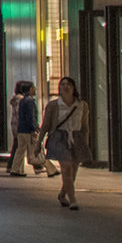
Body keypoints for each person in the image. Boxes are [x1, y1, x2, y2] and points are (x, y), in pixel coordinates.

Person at [39, 76, 91, 210]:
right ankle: (73, 199)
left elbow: (85, 126)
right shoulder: (53, 105)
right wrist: (38, 143)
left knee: (74, 169)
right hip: (59, 137)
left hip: (77, 137)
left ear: (74, 88)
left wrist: (85, 143)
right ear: (59, 89)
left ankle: (63, 193)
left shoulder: (82, 106)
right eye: (62, 85)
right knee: (66, 167)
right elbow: (45, 125)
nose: (65, 87)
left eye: (68, 85)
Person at [7, 81, 42, 176]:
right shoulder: (27, 100)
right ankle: (42, 167)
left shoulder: (19, 100)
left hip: (18, 127)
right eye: (33, 88)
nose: (35, 89)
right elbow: (29, 116)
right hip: (25, 128)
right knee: (34, 148)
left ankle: (14, 168)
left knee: (19, 148)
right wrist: (34, 128)